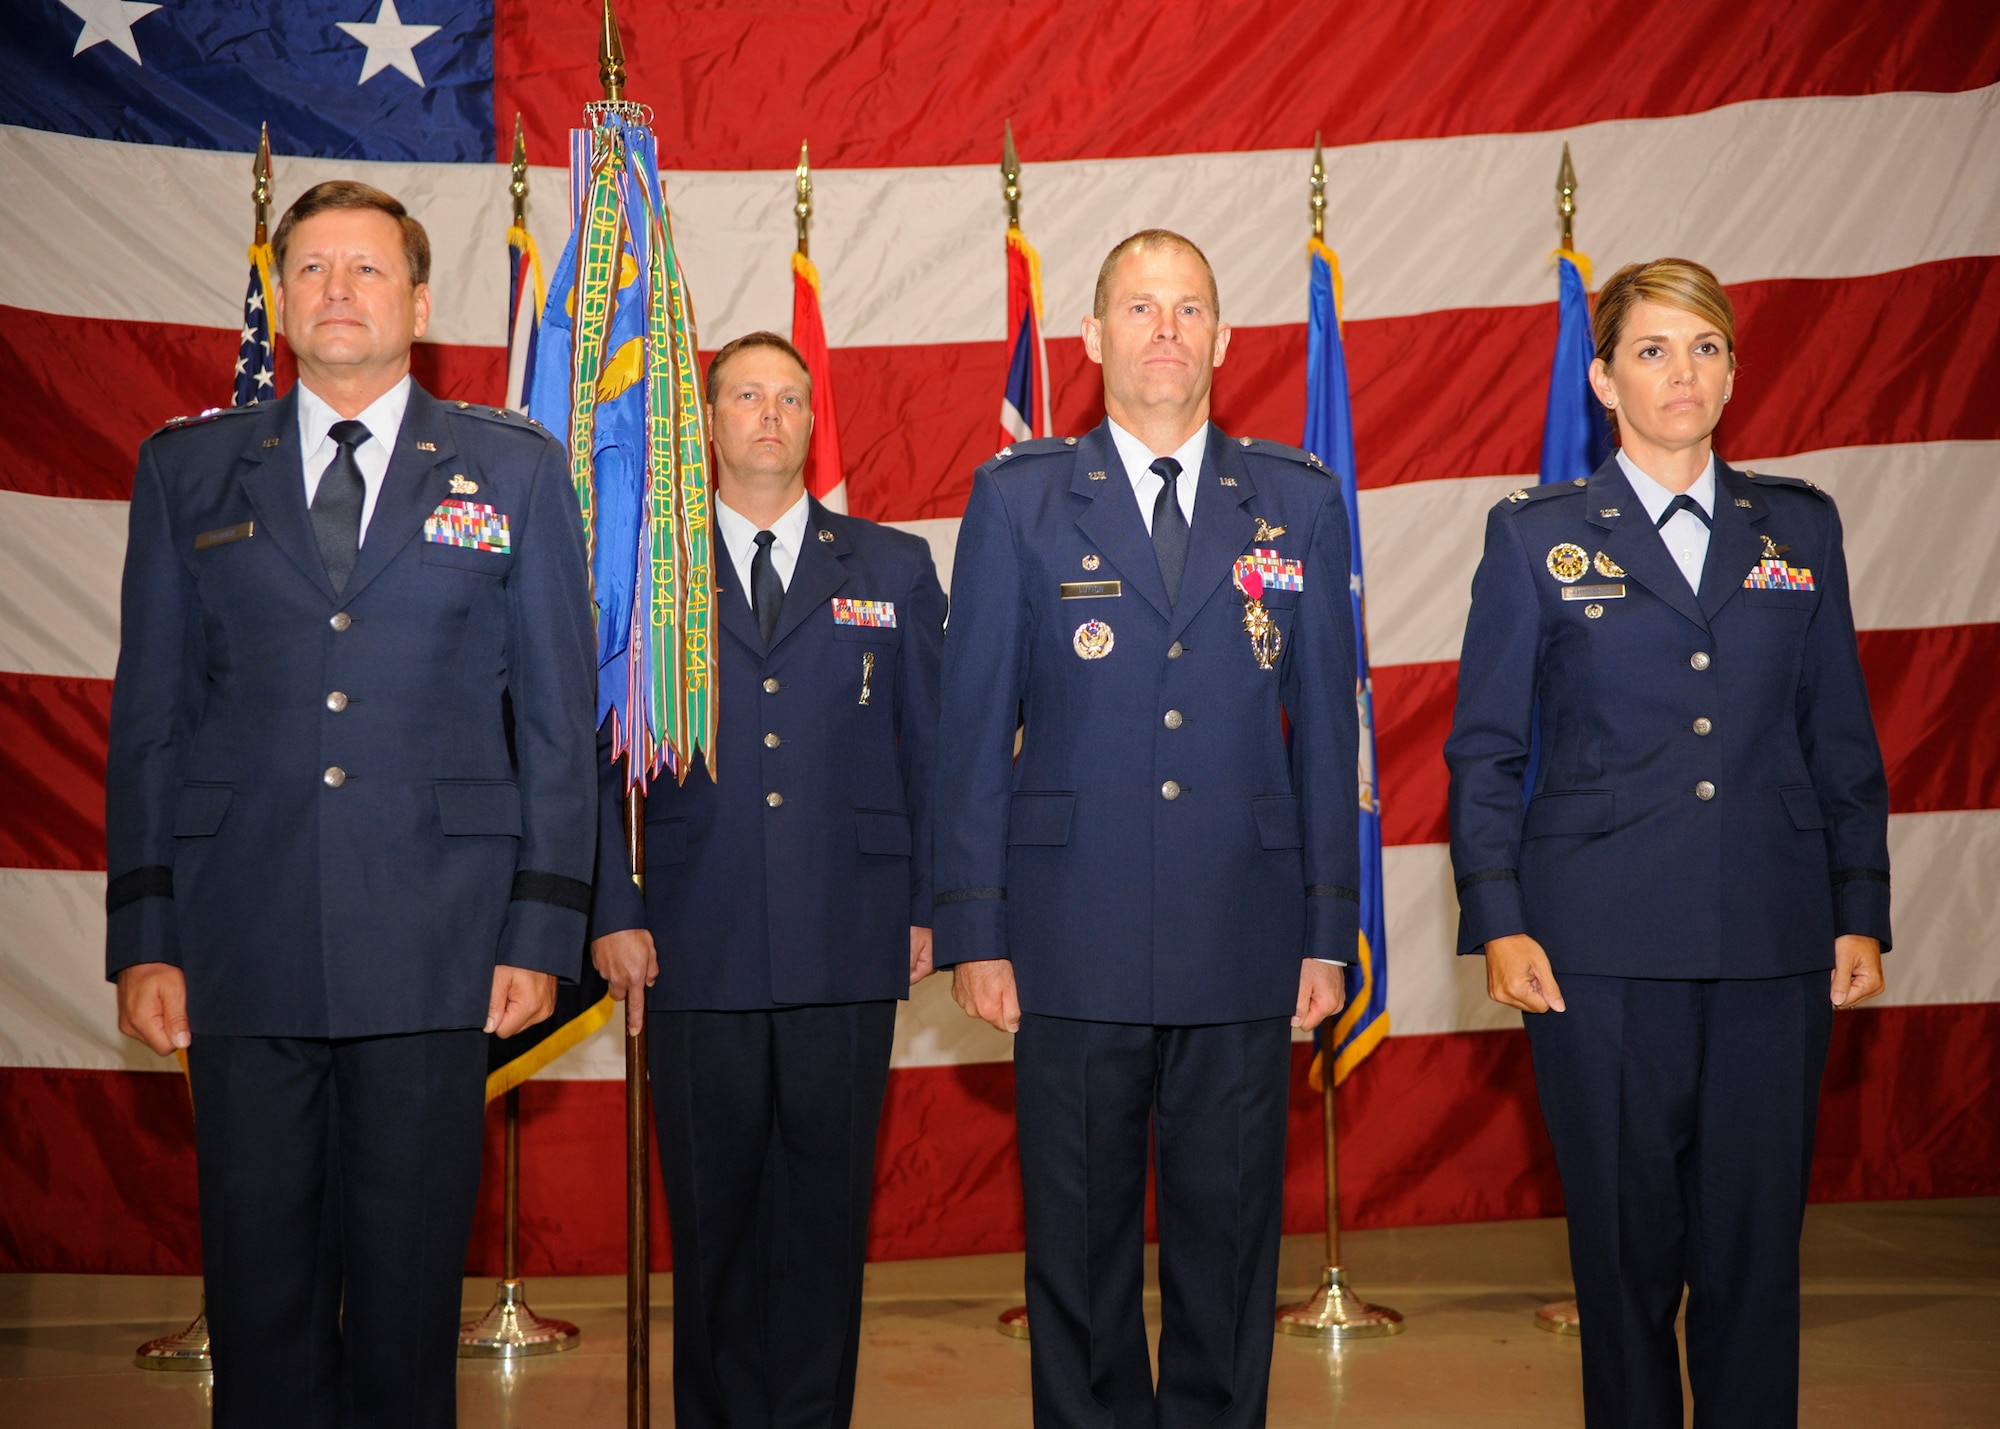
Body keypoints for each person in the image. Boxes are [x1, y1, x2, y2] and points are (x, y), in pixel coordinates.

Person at [105, 181, 598, 1428]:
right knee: (260, 1301)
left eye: (367, 270)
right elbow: (152, 717)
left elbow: (553, 724)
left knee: (404, 1301)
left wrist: (540, 929)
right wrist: (145, 932)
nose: (337, 290)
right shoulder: (188, 470)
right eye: (311, 267)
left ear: (420, 304)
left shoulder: (513, 471)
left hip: (436, 941)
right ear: (277, 295)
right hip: (242, 937)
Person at [1445, 257, 1890, 1428]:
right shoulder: (1535, 537)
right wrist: (1497, 916)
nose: (1678, 371)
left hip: (1769, 938)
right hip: (1596, 948)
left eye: (1701, 347)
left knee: (1754, 1262)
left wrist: (1857, 902)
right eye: (1649, 349)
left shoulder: (1796, 526)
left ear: (1733, 370)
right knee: (1624, 1263)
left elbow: (1837, 731)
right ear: (1600, 378)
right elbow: (1481, 748)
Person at [933, 230, 1359, 1427]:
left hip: (1243, 931)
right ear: (1091, 338)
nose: (1164, 329)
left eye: (1187, 310)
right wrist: (974, 923)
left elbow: (1328, 736)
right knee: (1075, 1261)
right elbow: (971, 727)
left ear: (1223, 339)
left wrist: (1328, 930)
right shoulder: (1018, 498)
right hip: (1069, 934)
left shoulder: (1294, 500)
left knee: (1226, 1264)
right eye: (1138, 307)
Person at [589, 331, 946, 1429]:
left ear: (812, 419)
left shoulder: (887, 566)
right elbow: (593, 755)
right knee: (713, 1231)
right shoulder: (650, 570)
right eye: (744, 394)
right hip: (694, 942)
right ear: (705, 421)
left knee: (824, 1232)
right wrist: (611, 907)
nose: (769, 414)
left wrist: (932, 904)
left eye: (790, 397)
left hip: (851, 936)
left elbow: (934, 750)